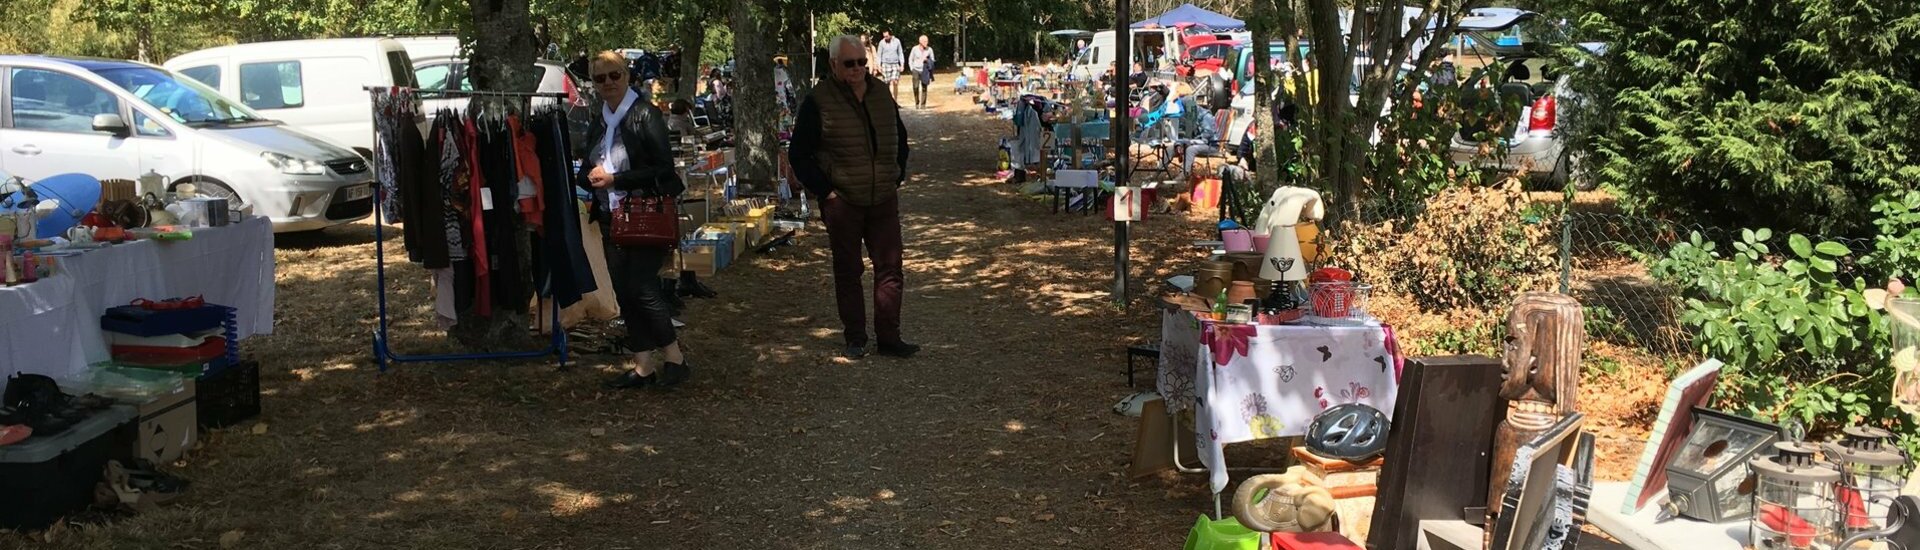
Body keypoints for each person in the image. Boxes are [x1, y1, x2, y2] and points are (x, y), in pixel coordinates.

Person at [788, 35, 920, 360]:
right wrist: (827, 192)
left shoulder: (880, 93)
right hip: (843, 201)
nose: (858, 69)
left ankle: (889, 337)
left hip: (883, 197)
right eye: (850, 63)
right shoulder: (818, 101)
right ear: (834, 64)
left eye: (862, 62)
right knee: (848, 271)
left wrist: (897, 173)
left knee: (890, 268)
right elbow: (799, 154)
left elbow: (899, 137)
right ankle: (856, 338)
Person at [578, 51, 691, 389]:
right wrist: (591, 176)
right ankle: (643, 365)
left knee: (642, 287)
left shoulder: (645, 114)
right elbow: (588, 164)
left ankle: (675, 357)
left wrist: (617, 180)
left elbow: (663, 169)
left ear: (626, 76)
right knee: (624, 292)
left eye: (614, 75)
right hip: (612, 215)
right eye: (600, 78)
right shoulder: (599, 119)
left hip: (644, 213)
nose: (608, 83)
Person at [908, 35, 935, 109]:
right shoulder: (914, 49)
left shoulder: (929, 50)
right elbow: (910, 59)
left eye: (927, 41)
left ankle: (923, 104)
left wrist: (927, 60)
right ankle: (917, 102)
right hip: (916, 69)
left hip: (924, 70)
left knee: (924, 87)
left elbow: (933, 60)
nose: (926, 42)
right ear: (920, 42)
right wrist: (912, 68)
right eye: (925, 41)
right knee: (915, 87)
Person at [877, 31, 905, 97]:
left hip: (895, 64)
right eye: (884, 36)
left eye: (887, 36)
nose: (885, 38)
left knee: (895, 82)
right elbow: (879, 55)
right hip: (885, 64)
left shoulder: (897, 41)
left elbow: (900, 53)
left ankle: (895, 101)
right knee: (886, 83)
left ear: (890, 35)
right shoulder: (881, 43)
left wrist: (902, 64)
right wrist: (879, 65)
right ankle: (888, 100)